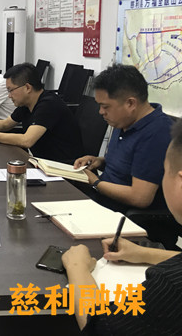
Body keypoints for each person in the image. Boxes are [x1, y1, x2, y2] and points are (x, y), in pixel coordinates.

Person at [62, 119, 182, 335]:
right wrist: (144, 253)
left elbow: (101, 325)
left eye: (164, 172)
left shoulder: (170, 286)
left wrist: (77, 267)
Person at [73, 64, 173, 213]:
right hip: (100, 200)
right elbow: (127, 166)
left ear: (130, 103)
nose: (101, 112)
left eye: (105, 106)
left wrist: (95, 182)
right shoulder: (124, 120)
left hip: (121, 214)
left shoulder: (157, 132)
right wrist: (99, 161)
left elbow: (140, 197)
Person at [0, 62, 84, 163]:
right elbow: (5, 124)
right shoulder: (26, 103)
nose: (9, 96)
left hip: (63, 167)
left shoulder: (49, 104)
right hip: (42, 163)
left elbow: (27, 140)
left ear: (27, 88)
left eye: (11, 90)